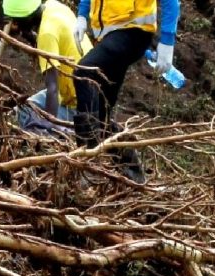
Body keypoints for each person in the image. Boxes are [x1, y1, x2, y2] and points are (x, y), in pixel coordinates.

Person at [71, 0, 180, 180]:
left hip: (133, 31)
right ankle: (134, 175)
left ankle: (88, 161)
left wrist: (167, 40)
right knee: (102, 110)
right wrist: (82, 14)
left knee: (85, 72)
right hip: (109, 36)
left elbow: (171, 2)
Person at [2, 0, 91, 136]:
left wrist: (48, 123)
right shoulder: (54, 6)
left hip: (78, 105)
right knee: (20, 110)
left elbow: (52, 89)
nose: (16, 26)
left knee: (25, 120)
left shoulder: (46, 34)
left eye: (18, 21)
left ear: (28, 16)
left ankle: (65, 132)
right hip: (86, 92)